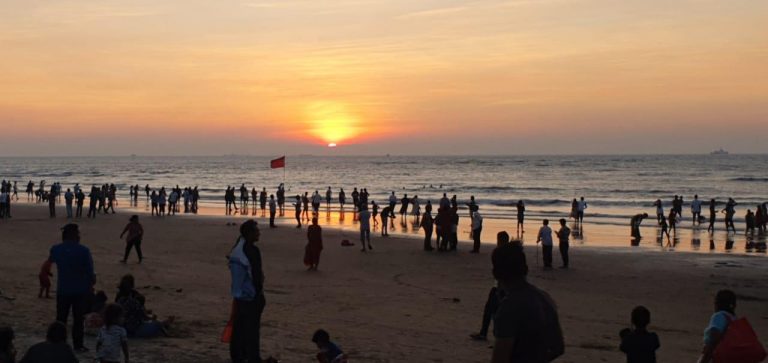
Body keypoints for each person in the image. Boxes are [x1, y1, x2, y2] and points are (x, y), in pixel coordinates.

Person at [491, 243, 564, 362]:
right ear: (525, 269)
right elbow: (558, 348)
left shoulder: (509, 308)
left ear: (496, 273)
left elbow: (500, 358)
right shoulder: (544, 298)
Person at [49, 224, 95, 352]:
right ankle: (78, 345)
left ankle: (58, 343)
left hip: (63, 289)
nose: (79, 236)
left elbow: (49, 262)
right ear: (74, 235)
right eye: (78, 234)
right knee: (78, 319)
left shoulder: (56, 249)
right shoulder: (84, 251)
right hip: (80, 290)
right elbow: (90, 272)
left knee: (61, 318)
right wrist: (91, 286)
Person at [228, 220, 266, 363]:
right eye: (256, 231)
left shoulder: (239, 249)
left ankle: (238, 355)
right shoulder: (252, 250)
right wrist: (259, 293)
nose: (259, 233)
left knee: (239, 328)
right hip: (251, 296)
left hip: (239, 295)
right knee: (252, 330)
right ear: (250, 234)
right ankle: (252, 357)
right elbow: (256, 275)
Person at [470, 232, 510, 341]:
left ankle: (495, 336)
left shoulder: (500, 253)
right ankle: (485, 333)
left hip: (500, 288)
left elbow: (501, 272)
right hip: (505, 287)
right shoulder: (510, 253)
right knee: (492, 311)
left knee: (495, 312)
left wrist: (500, 288)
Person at [697, 290, 739, 363]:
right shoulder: (734, 319)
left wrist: (703, 360)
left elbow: (713, 340)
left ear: (717, 304)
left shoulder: (719, 316)